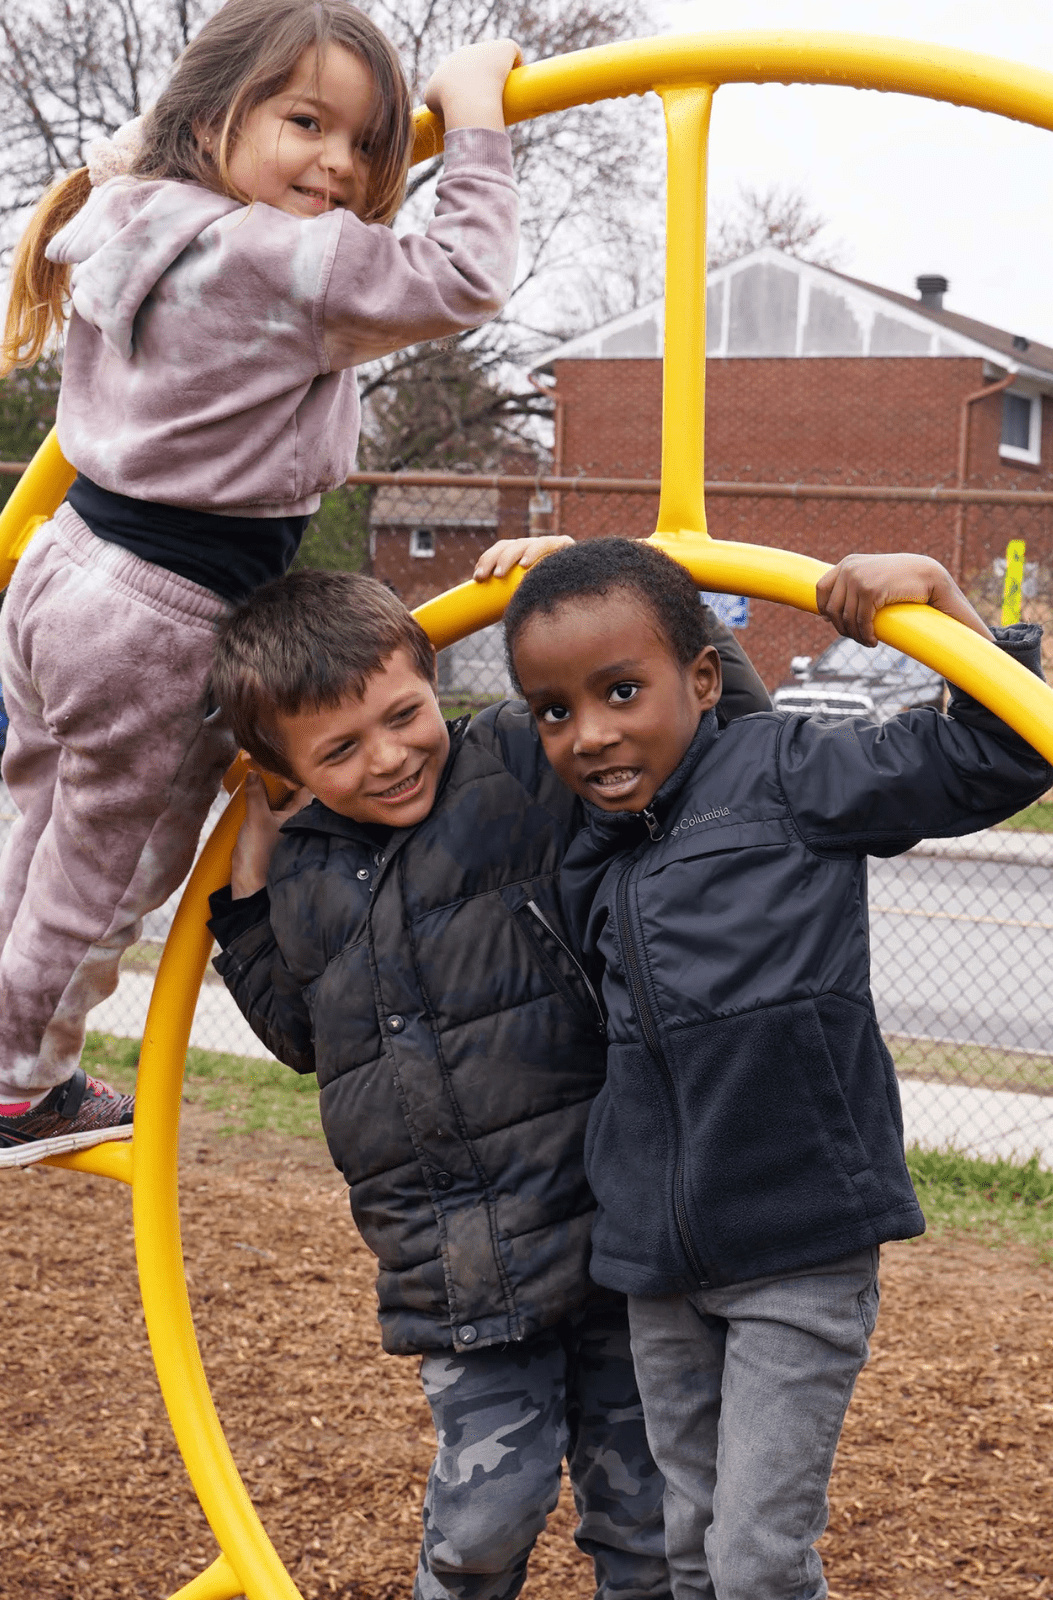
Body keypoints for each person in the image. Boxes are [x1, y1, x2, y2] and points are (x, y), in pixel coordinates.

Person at [0, 0, 522, 1167]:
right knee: (111, 867)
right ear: (216, 114)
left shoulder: (134, 206)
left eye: (368, 143)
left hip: (63, 569)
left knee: (46, 836)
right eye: (306, 121)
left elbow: (142, 139)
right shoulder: (274, 256)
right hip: (156, 613)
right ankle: (17, 1089)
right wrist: (471, 116)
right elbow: (468, 274)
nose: (338, 161)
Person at [203, 546, 770, 1600]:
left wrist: (566, 581)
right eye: (338, 748)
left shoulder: (518, 764)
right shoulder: (308, 867)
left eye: (403, 713)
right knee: (481, 1522)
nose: (386, 757)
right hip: (455, 1267)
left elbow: (713, 732)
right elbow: (305, 1036)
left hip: (613, 1238)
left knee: (644, 1519)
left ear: (434, 674)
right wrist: (244, 902)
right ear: (283, 769)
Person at [500, 539, 1053, 1600]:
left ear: (703, 680)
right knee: (690, 1541)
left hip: (797, 1238)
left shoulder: (787, 770)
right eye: (556, 711)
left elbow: (1005, 752)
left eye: (622, 690)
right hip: (659, 1258)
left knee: (756, 1558)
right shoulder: (587, 844)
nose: (592, 733)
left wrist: (946, 603)